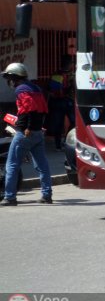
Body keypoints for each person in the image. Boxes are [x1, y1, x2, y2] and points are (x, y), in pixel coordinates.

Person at [1, 62, 53, 206]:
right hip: (38, 133)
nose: (9, 82)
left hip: (25, 134)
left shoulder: (21, 90)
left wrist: (27, 127)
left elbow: (29, 109)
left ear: (15, 77)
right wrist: (37, 126)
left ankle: (10, 197)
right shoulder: (36, 88)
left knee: (11, 165)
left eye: (10, 78)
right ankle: (47, 195)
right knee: (42, 165)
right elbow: (42, 109)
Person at [47, 55, 75, 151]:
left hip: (67, 101)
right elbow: (55, 91)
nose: (72, 65)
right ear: (68, 64)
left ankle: (64, 141)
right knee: (59, 124)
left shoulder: (71, 74)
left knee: (74, 122)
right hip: (59, 102)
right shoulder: (58, 74)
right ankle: (58, 145)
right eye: (71, 63)